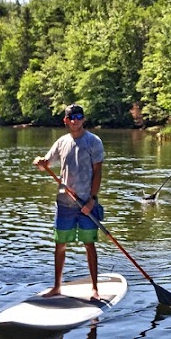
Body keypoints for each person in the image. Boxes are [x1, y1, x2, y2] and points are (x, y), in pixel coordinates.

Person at [33, 104, 105, 300]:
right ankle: (57, 286)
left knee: (89, 244)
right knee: (60, 244)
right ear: (65, 120)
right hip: (64, 203)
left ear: (83, 119)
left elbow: (98, 172)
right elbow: (46, 164)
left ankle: (95, 289)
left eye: (79, 116)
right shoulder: (61, 142)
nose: (75, 120)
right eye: (71, 117)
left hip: (86, 203)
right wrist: (40, 162)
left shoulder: (93, 141)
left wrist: (91, 200)